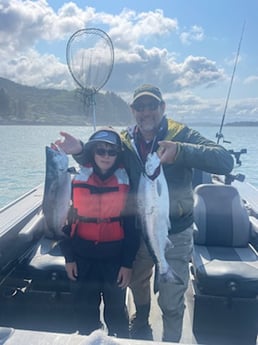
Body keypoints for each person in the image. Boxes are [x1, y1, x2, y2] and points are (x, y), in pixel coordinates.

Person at [57, 84, 234, 342]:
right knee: (137, 284)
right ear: (133, 110)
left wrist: (182, 151)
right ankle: (140, 328)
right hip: (139, 230)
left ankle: (171, 339)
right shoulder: (126, 140)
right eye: (140, 107)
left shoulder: (181, 133)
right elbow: (103, 158)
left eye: (152, 106)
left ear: (163, 107)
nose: (146, 112)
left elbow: (224, 160)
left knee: (172, 299)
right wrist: (79, 150)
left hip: (175, 232)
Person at [58, 127, 139, 338]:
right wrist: (69, 258)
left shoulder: (126, 180)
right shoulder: (75, 179)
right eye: (100, 151)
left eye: (111, 152)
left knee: (116, 316)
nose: (106, 156)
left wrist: (127, 264)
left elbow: (132, 227)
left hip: (114, 261)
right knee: (84, 314)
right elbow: (64, 223)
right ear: (92, 153)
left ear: (118, 155)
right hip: (81, 259)